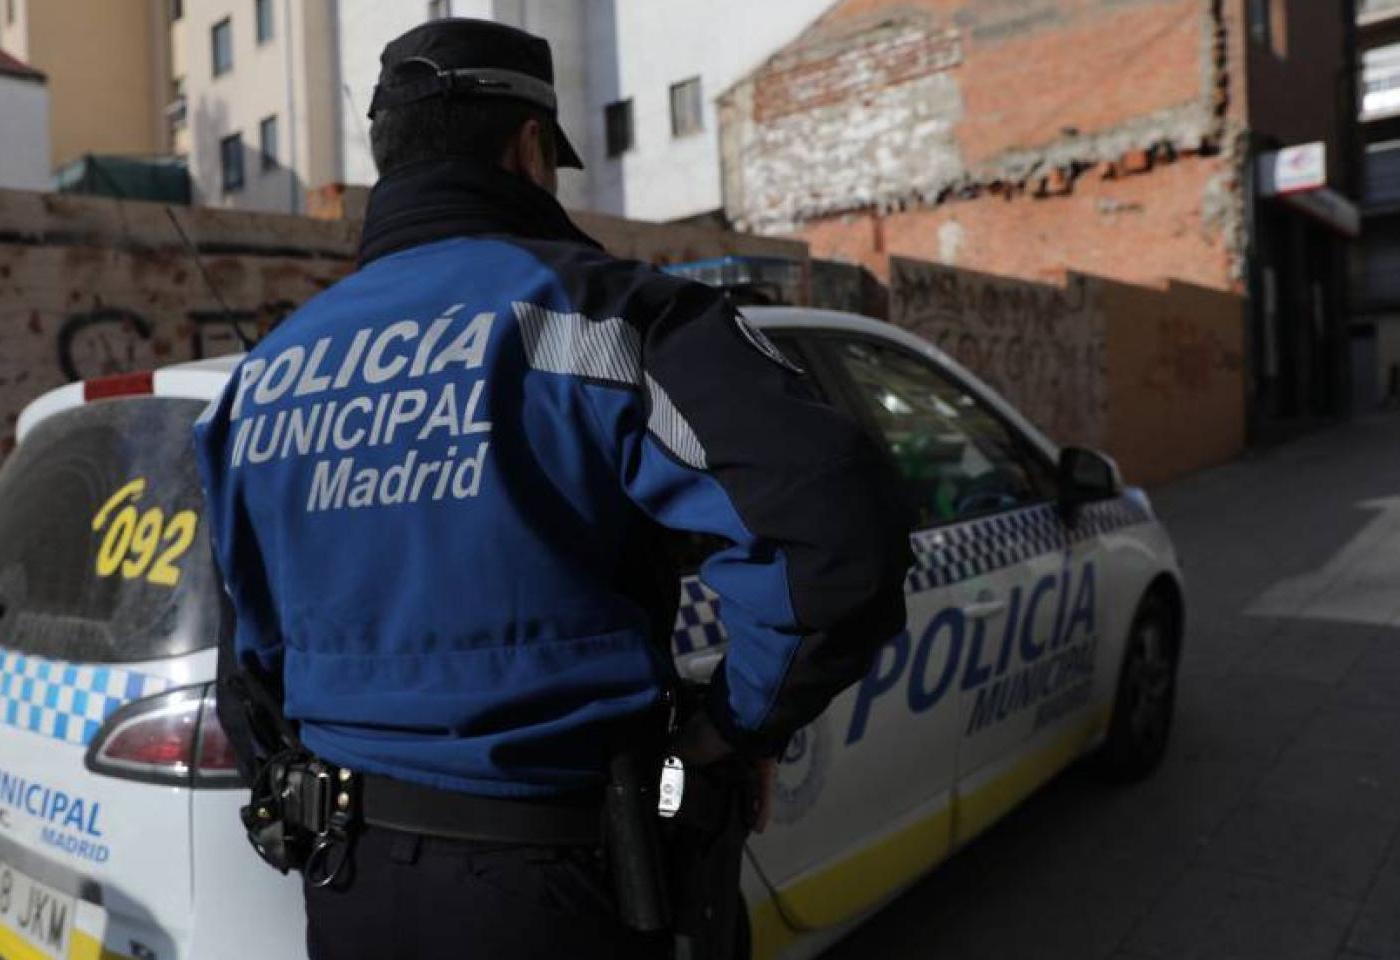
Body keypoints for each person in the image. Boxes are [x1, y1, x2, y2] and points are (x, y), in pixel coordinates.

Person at [192, 17, 915, 960]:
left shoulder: (263, 377)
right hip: (557, 883)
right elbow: (833, 530)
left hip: (346, 886)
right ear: (531, 149)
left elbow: (245, 663)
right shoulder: (602, 312)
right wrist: (734, 727)